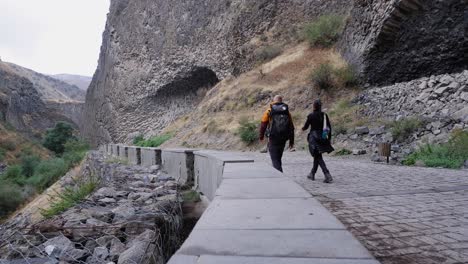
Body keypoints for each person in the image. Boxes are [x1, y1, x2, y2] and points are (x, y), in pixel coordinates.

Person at [259, 95, 295, 172]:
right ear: (281, 101)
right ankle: (279, 174)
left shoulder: (269, 111)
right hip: (283, 138)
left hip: (273, 138)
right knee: (278, 158)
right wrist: (291, 142)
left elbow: (263, 125)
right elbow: (291, 127)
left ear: (273, 100)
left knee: (275, 159)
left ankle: (280, 177)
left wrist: (261, 137)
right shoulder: (287, 112)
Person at [302, 99, 334, 183]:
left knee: (318, 156)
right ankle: (312, 173)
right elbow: (328, 127)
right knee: (317, 155)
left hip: (314, 138)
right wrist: (328, 139)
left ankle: (327, 174)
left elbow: (305, 127)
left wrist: (302, 128)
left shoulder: (311, 115)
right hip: (323, 137)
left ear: (314, 106)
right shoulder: (324, 115)